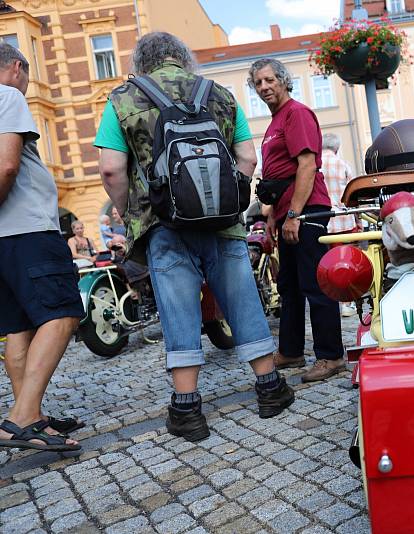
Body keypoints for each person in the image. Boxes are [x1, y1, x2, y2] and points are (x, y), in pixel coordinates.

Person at [95, 32, 294, 442]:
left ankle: (188, 412)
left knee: (177, 308)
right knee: (241, 299)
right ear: (184, 59)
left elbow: (112, 169)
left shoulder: (123, 98)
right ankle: (270, 389)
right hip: (222, 221)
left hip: (163, 224)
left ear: (141, 62)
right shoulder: (218, 93)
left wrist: (133, 211)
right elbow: (248, 157)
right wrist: (227, 198)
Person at [0, 43, 83, 452]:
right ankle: (20, 418)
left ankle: (31, 420)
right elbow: (8, 165)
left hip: (3, 242)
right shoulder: (7, 95)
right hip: (29, 230)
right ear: (17, 67)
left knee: (18, 328)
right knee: (63, 313)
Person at [251, 57, 345, 383]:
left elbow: (307, 165)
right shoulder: (277, 120)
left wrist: (294, 214)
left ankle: (331, 356)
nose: (263, 87)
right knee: (289, 286)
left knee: (316, 284)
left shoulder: (297, 113)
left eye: (268, 80)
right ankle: (290, 351)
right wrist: (276, 216)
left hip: (308, 210)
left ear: (283, 80)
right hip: (288, 212)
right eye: (258, 83)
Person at [321, 132, 358, 318]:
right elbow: (352, 195)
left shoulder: (315, 164)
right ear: (336, 148)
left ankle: (330, 301)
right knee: (346, 263)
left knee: (327, 264)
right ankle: (346, 303)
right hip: (344, 220)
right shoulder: (343, 164)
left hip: (324, 221)